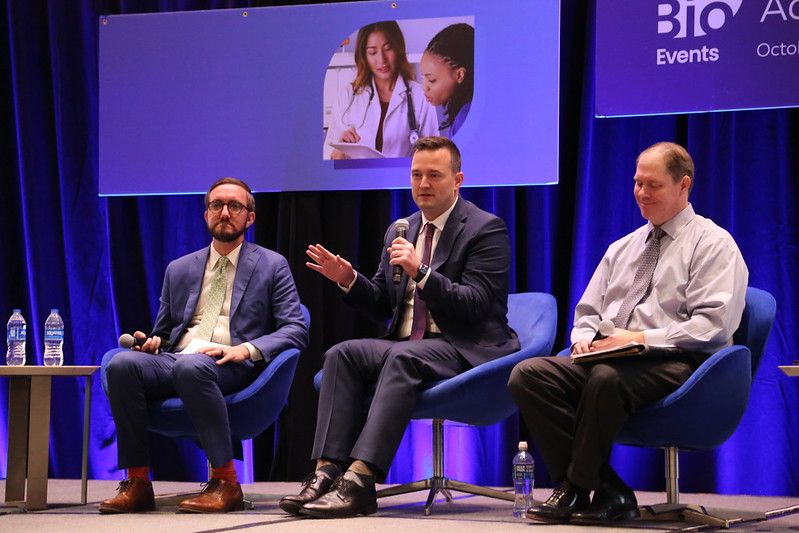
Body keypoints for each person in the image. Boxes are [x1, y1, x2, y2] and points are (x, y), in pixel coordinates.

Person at [508, 142, 748, 524]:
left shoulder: (713, 244)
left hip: (680, 362)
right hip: (612, 355)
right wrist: (583, 337)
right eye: (637, 183)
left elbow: (712, 326)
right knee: (529, 375)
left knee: (605, 379)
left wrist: (639, 340)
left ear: (683, 186)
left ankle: (573, 489)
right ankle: (609, 490)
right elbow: (587, 311)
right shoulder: (623, 247)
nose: (641, 193)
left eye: (652, 185)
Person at [281, 136, 519, 518]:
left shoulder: (485, 229)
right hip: (407, 341)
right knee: (341, 354)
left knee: (404, 358)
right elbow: (381, 302)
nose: (423, 184)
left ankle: (361, 479)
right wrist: (349, 279)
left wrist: (421, 272)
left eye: (434, 176)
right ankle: (326, 472)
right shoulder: (401, 229)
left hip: (464, 344)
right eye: (416, 175)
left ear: (457, 180)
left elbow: (475, 305)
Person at [99, 177, 309, 514]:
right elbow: (165, 333)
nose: (224, 212)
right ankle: (137, 481)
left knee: (191, 366)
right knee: (122, 365)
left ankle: (226, 482)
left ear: (249, 217)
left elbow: (296, 328)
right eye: (216, 205)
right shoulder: (179, 269)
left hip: (231, 364)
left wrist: (245, 350)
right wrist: (153, 343)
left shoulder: (272, 265)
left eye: (234, 206)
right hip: (180, 358)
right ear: (206, 214)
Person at [323, 21, 438, 160]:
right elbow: (328, 155)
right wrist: (338, 152)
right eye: (372, 52)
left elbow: (433, 154)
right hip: (357, 180)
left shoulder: (420, 96)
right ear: (364, 56)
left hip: (402, 179)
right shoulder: (346, 96)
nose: (381, 60)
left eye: (388, 48)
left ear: (398, 49)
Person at [420, 23, 474, 138]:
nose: (424, 87)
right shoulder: (464, 111)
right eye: (423, 77)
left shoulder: (466, 118)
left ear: (459, 75)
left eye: (431, 80)